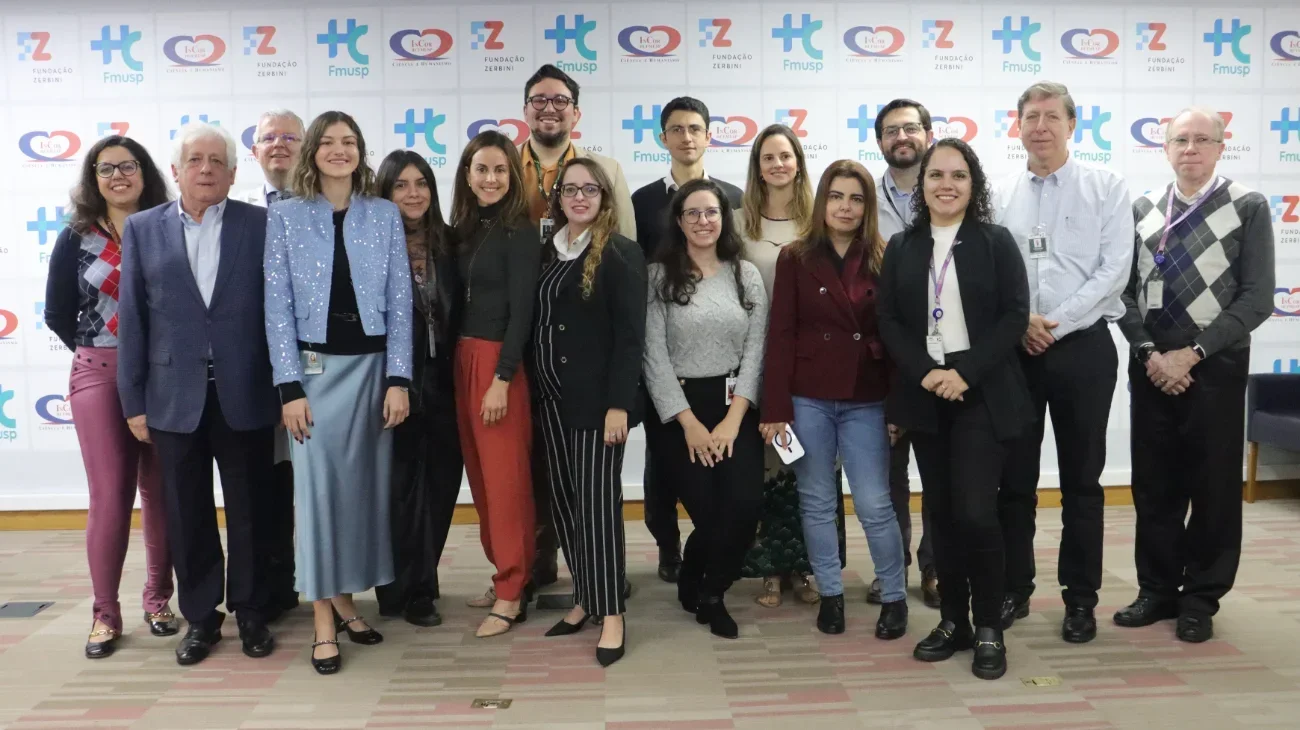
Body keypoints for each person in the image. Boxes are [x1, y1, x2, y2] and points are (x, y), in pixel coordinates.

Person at [116, 122, 279, 666]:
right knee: (186, 513)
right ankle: (202, 619)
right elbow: (133, 319)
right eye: (195, 160)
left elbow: (278, 312)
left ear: (233, 172)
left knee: (250, 509)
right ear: (176, 170)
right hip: (171, 396)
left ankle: (251, 612)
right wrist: (133, 400)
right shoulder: (143, 229)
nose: (205, 169)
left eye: (216, 161)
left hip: (246, 389)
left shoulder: (261, 225)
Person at [1115, 108, 1274, 643]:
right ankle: (1157, 590)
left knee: (1213, 489)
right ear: (1165, 148)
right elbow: (1123, 293)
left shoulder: (1248, 205)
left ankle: (1200, 599)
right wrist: (1150, 353)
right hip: (1152, 368)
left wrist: (1193, 354)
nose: (1190, 148)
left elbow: (1257, 298)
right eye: (1180, 139)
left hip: (1216, 368)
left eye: (1202, 139)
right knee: (1154, 486)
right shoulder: (1142, 208)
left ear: (1221, 147)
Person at [264, 111, 412, 675]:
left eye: (349, 141)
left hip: (373, 372)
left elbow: (401, 301)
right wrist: (289, 387)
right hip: (313, 377)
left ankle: (347, 601)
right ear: (312, 152)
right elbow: (277, 308)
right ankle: (323, 620)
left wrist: (398, 379)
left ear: (360, 151)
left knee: (358, 498)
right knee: (319, 498)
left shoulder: (384, 214)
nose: (339, 150)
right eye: (327, 142)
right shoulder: (286, 216)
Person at [877, 137, 1031, 680]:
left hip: (981, 390)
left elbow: (1015, 316)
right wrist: (926, 372)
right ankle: (953, 622)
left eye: (958, 175)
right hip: (926, 390)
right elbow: (889, 320)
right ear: (921, 185)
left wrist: (964, 372)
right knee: (939, 513)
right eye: (936, 175)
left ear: (974, 184)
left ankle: (988, 626)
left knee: (975, 512)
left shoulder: (996, 241)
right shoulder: (902, 246)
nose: (947, 184)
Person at [994, 81, 1134, 643]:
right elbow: (992, 271)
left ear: (1072, 125)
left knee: (1082, 482)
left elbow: (1114, 270)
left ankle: (1080, 600)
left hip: (1083, 349)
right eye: (1031, 117)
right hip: (1015, 353)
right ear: (1018, 125)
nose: (1041, 127)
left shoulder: (1106, 186)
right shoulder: (999, 191)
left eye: (1052, 116)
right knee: (1013, 482)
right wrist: (1021, 323)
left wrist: (1052, 324)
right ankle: (1014, 588)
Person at [758, 160, 907, 639]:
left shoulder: (885, 256)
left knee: (875, 503)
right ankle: (831, 594)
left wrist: (898, 408)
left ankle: (894, 596)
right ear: (822, 201)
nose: (845, 207)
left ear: (868, 207)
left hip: (868, 397)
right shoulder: (795, 256)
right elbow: (780, 335)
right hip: (809, 397)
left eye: (856, 198)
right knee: (817, 501)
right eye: (837, 196)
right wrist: (775, 408)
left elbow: (898, 337)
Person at [44, 136, 177, 659]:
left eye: (128, 166)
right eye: (106, 168)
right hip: (98, 375)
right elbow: (58, 312)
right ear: (93, 178)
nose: (118, 176)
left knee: (162, 493)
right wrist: (101, 354)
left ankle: (158, 601)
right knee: (110, 497)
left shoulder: (167, 227)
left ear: (145, 173)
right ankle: (105, 614)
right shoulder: (75, 236)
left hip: (163, 377)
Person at [516, 63, 634, 589]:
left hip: (588, 358)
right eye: (539, 100)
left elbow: (624, 259)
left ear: (576, 112)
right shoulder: (502, 169)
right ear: (525, 110)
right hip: (529, 347)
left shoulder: (606, 169)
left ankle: (602, 583)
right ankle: (546, 568)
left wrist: (619, 394)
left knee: (593, 486)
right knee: (543, 475)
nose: (550, 108)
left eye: (560, 100)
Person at [643, 178, 767, 640]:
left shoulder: (745, 275)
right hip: (680, 413)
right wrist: (690, 423)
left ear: (724, 218)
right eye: (692, 213)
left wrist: (734, 419)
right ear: (678, 221)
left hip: (736, 406)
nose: (703, 221)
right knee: (711, 515)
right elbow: (653, 356)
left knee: (744, 509)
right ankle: (702, 584)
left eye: (711, 212)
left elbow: (757, 351)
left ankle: (708, 589)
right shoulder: (658, 277)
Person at [536, 158, 646, 667]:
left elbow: (631, 338)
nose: (579, 197)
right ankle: (584, 597)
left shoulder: (620, 253)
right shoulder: (548, 250)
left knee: (598, 508)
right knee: (565, 504)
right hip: (550, 402)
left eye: (590, 189)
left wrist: (619, 404)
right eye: (570, 189)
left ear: (604, 197)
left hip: (598, 407)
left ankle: (612, 613)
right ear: (558, 198)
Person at [632, 96, 744, 583]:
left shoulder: (734, 197)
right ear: (663, 138)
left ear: (709, 136)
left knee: (723, 468)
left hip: (719, 349)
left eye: (695, 128)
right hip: (661, 345)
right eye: (676, 129)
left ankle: (715, 547)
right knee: (663, 461)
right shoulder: (642, 202)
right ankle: (667, 544)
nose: (686, 137)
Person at [737, 123, 831, 608]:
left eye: (785, 156)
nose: (777, 164)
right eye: (768, 157)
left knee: (812, 466)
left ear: (799, 162)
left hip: (812, 362)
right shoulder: (738, 224)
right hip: (756, 360)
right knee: (769, 466)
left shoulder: (821, 220)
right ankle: (772, 568)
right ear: (757, 168)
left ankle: (812, 567)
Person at [451, 130, 542, 636]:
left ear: (513, 175)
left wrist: (503, 378)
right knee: (483, 484)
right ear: (467, 176)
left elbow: (522, 312)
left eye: (500, 170)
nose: (491, 179)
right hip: (462, 360)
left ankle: (512, 591)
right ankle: (505, 574)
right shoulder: (464, 230)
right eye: (482, 169)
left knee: (507, 485)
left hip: (497, 366)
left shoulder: (520, 232)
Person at [372, 151, 463, 628]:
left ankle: (423, 588)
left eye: (422, 183)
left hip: (447, 381)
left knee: (441, 487)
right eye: (401, 185)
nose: (413, 193)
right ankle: (395, 587)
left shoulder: (452, 242)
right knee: (399, 490)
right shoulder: (370, 244)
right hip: (394, 383)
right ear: (385, 192)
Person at [233, 108, 306, 622]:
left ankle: (329, 588)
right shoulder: (237, 215)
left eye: (289, 137)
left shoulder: (325, 209)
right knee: (264, 486)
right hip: (253, 376)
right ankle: (274, 590)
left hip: (319, 371)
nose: (278, 144)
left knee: (316, 486)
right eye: (268, 138)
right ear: (254, 150)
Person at [873, 99, 939, 609]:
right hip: (882, 353)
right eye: (892, 130)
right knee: (887, 474)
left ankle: (938, 567)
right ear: (879, 141)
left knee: (940, 471)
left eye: (911, 128)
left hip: (943, 356)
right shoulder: (862, 197)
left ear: (928, 135)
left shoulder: (951, 189)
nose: (902, 137)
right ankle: (892, 569)